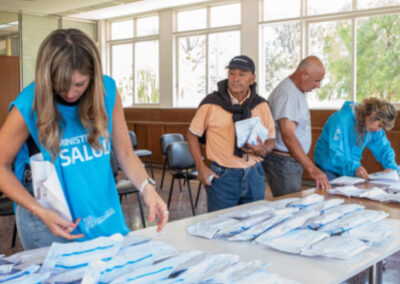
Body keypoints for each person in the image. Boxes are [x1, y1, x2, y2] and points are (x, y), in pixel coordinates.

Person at [0, 29, 168, 250]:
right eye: (60, 85)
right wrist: (39, 211)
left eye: (79, 84)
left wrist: (148, 188)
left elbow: (125, 153)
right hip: (50, 217)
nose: (70, 93)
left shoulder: (107, 91)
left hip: (100, 210)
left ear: (93, 76)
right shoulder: (29, 103)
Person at [187, 55, 275, 212]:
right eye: (232, 73)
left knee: (253, 223)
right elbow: (192, 135)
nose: (235, 78)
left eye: (242, 74)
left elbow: (270, 138)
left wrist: (263, 150)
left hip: (254, 174)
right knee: (219, 225)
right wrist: (200, 167)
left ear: (252, 78)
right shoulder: (211, 103)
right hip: (222, 175)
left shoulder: (261, 105)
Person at [262, 55, 330, 197]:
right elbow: (288, 136)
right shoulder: (288, 94)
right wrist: (311, 168)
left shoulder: (297, 90)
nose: (318, 85)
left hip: (290, 161)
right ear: (304, 74)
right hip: (284, 163)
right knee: (290, 206)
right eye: (317, 81)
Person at [314, 98, 398, 180]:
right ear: (373, 115)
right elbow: (335, 153)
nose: (378, 130)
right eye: (380, 125)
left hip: (350, 169)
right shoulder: (340, 119)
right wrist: (355, 167)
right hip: (329, 167)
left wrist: (391, 166)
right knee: (330, 193)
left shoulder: (373, 126)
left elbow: (384, 149)